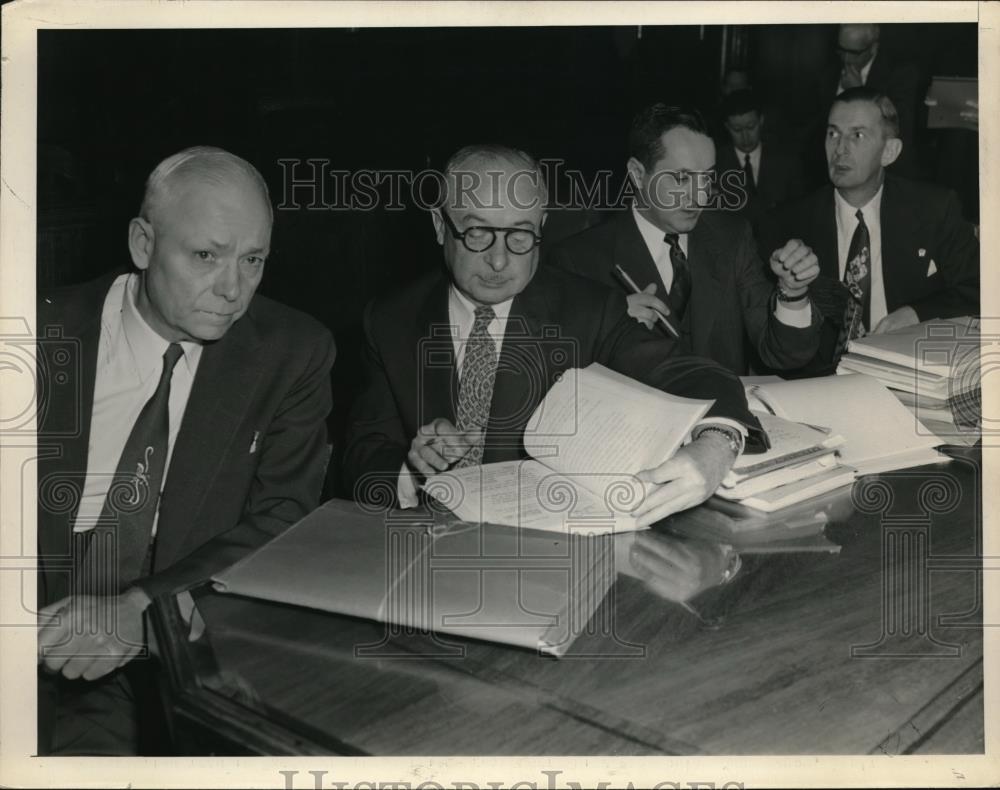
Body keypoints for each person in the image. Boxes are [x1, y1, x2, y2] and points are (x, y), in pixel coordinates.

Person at [35, 146, 337, 754]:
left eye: (252, 260)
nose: (232, 289)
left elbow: (284, 517)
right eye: (206, 256)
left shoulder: (291, 351)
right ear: (143, 244)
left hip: (171, 626)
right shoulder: (36, 332)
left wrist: (145, 607)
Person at [344, 144, 765, 528]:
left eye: (520, 234)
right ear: (439, 226)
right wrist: (411, 468)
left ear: (543, 226)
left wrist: (717, 445)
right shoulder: (390, 320)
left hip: (551, 558)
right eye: (477, 232)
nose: (498, 258)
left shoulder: (589, 311)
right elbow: (361, 455)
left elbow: (695, 375)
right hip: (425, 553)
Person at [547, 104, 823, 376]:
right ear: (637, 173)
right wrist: (606, 332)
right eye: (681, 178)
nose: (700, 197)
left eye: (706, 179)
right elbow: (556, 372)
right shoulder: (578, 260)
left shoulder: (732, 238)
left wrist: (793, 293)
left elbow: (786, 353)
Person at [759, 88, 980, 375]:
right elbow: (771, 337)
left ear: (889, 151)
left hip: (911, 375)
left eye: (857, 135)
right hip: (819, 383)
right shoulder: (786, 223)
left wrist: (916, 314)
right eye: (833, 134)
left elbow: (980, 287)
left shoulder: (934, 209)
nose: (840, 149)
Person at [825, 24, 921, 176]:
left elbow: (897, 128)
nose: (846, 58)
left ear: (873, 47)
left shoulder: (901, 74)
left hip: (880, 163)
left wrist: (858, 91)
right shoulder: (829, 65)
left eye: (854, 53)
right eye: (842, 50)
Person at [716, 89, 805, 227]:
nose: (745, 137)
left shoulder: (787, 161)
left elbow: (800, 212)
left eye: (751, 127)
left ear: (761, 120)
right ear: (727, 127)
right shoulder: (715, 164)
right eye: (737, 130)